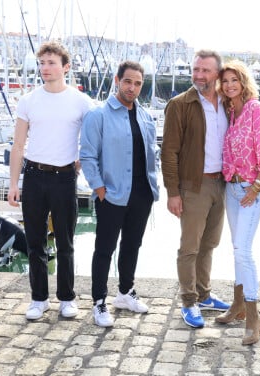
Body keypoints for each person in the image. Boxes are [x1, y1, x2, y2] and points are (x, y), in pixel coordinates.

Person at [7, 41, 94, 320]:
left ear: (65, 67)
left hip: (65, 178)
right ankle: (39, 298)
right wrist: (13, 184)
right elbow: (18, 146)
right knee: (35, 242)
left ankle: (67, 298)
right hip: (34, 176)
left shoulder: (81, 102)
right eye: (42, 63)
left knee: (66, 242)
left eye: (51, 63)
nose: (45, 68)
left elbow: (94, 138)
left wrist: (83, 159)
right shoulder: (28, 101)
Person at [79, 61, 160, 327]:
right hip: (111, 193)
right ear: (117, 80)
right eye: (128, 81)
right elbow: (88, 156)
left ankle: (125, 293)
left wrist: (153, 186)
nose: (132, 88)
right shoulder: (98, 115)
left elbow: (152, 155)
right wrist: (99, 188)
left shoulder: (146, 116)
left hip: (142, 193)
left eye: (137, 83)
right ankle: (99, 302)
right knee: (104, 249)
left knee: (132, 245)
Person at [161, 49, 230, 328]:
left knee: (209, 244)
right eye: (196, 69)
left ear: (218, 74)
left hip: (221, 184)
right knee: (189, 247)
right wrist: (173, 192)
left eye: (206, 70)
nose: (199, 75)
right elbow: (169, 152)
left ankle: (204, 294)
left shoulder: (228, 103)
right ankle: (189, 302)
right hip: (194, 186)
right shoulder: (180, 104)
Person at [215, 60, 260, 345]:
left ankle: (254, 318)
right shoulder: (231, 112)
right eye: (225, 81)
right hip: (231, 188)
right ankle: (238, 305)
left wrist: (255, 188)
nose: (230, 85)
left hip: (251, 188)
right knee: (236, 248)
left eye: (234, 80)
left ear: (243, 82)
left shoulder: (256, 109)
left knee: (244, 250)